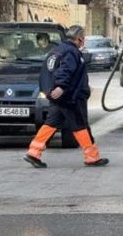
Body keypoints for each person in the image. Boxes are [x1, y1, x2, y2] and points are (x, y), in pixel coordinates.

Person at [24, 25, 109, 168]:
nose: (83, 42)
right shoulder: (71, 52)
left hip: (59, 98)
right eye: (83, 39)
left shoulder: (57, 50)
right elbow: (65, 71)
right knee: (79, 125)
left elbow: (48, 72)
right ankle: (92, 157)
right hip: (70, 97)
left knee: (51, 123)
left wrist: (53, 90)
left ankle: (34, 152)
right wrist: (61, 87)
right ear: (80, 39)